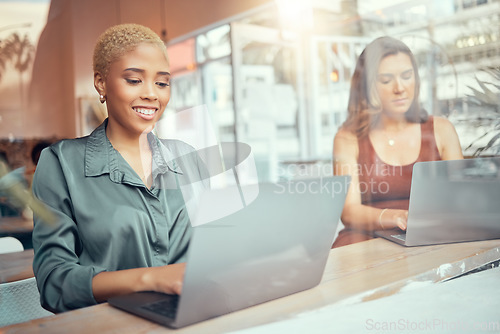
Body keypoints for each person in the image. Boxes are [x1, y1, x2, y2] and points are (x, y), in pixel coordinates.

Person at [31, 23, 209, 313]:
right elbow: (55, 284)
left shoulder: (187, 157)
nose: (152, 94)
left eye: (162, 83)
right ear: (101, 83)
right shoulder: (61, 163)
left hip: (196, 319)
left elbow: (210, 250)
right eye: (134, 80)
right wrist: (152, 278)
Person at [332, 36, 463, 248]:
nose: (399, 88)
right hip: (365, 239)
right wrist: (397, 217)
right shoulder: (348, 138)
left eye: (407, 76)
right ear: (366, 87)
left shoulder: (441, 129)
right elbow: (349, 211)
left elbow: (461, 197)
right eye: (385, 80)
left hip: (430, 234)